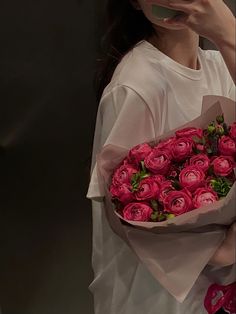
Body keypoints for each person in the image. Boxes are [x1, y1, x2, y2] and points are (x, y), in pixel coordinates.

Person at [87, 0, 236, 313]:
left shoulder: (220, 65)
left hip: (211, 289)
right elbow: (122, 214)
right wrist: (223, 251)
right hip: (155, 294)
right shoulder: (136, 84)